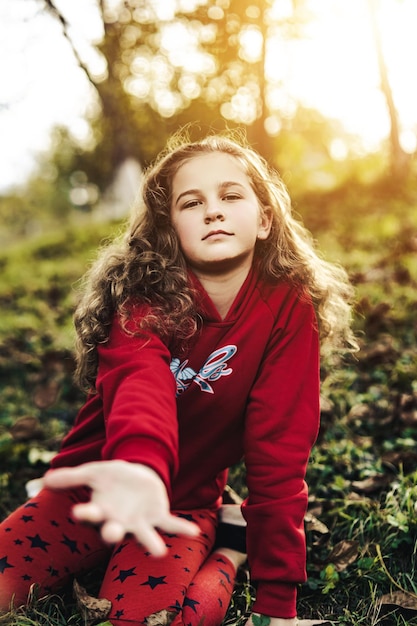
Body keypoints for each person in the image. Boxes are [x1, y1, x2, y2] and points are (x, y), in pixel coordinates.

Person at [0, 131, 356, 625]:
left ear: (264, 219)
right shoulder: (142, 302)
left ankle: (231, 547)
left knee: (152, 621)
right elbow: (140, 388)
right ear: (170, 230)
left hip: (183, 506)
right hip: (94, 491)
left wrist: (278, 608)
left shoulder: (288, 308)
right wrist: (141, 469)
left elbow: (279, 448)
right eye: (192, 203)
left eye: (231, 196)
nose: (213, 210)